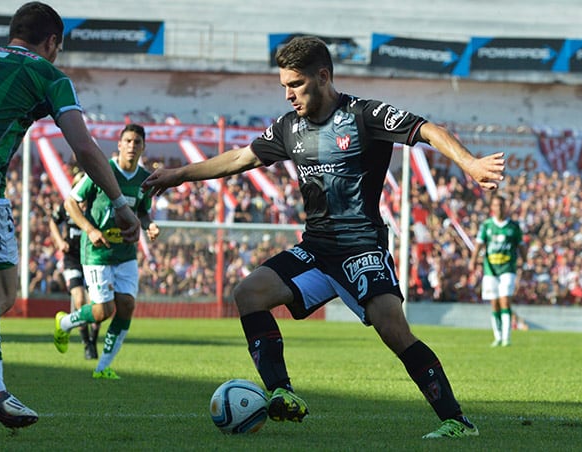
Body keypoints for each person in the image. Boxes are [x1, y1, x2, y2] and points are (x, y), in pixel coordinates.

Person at [143, 35, 505, 439]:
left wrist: (470, 163)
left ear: (323, 76)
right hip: (315, 249)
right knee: (249, 293)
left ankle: (457, 421)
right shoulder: (288, 128)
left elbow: (427, 130)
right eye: (283, 85)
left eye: (295, 84)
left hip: (361, 247)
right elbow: (240, 158)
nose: (288, 95)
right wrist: (178, 175)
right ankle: (282, 392)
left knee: (394, 330)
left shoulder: (364, 115)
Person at [0, 2, 140, 429]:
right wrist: (122, 204)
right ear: (52, 42)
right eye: (57, 47)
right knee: (0, 295)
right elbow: (83, 148)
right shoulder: (48, 74)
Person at [53, 123, 158, 380]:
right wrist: (89, 229)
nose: (132, 146)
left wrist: (150, 225)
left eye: (137, 142)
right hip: (97, 251)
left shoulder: (145, 180)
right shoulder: (101, 171)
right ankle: (64, 323)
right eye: (128, 141)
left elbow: (142, 212)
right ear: (119, 145)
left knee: (127, 305)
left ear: (143, 147)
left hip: (126, 253)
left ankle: (103, 367)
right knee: (103, 311)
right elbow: (70, 202)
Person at [48, 172, 101, 360]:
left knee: (97, 303)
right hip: (72, 258)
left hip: (93, 257)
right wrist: (59, 241)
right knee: (79, 300)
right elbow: (53, 222)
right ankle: (86, 343)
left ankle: (93, 340)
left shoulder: (96, 207)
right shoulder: (67, 206)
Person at [469, 194, 525, 347]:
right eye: (496, 205)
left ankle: (507, 337)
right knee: (494, 303)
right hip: (490, 269)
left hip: (508, 268)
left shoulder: (513, 226)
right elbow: (479, 244)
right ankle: (498, 336)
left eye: (501, 205)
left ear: (505, 207)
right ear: (492, 208)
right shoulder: (487, 225)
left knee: (505, 300)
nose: (498, 208)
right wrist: (473, 261)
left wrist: (524, 263)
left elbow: (521, 246)